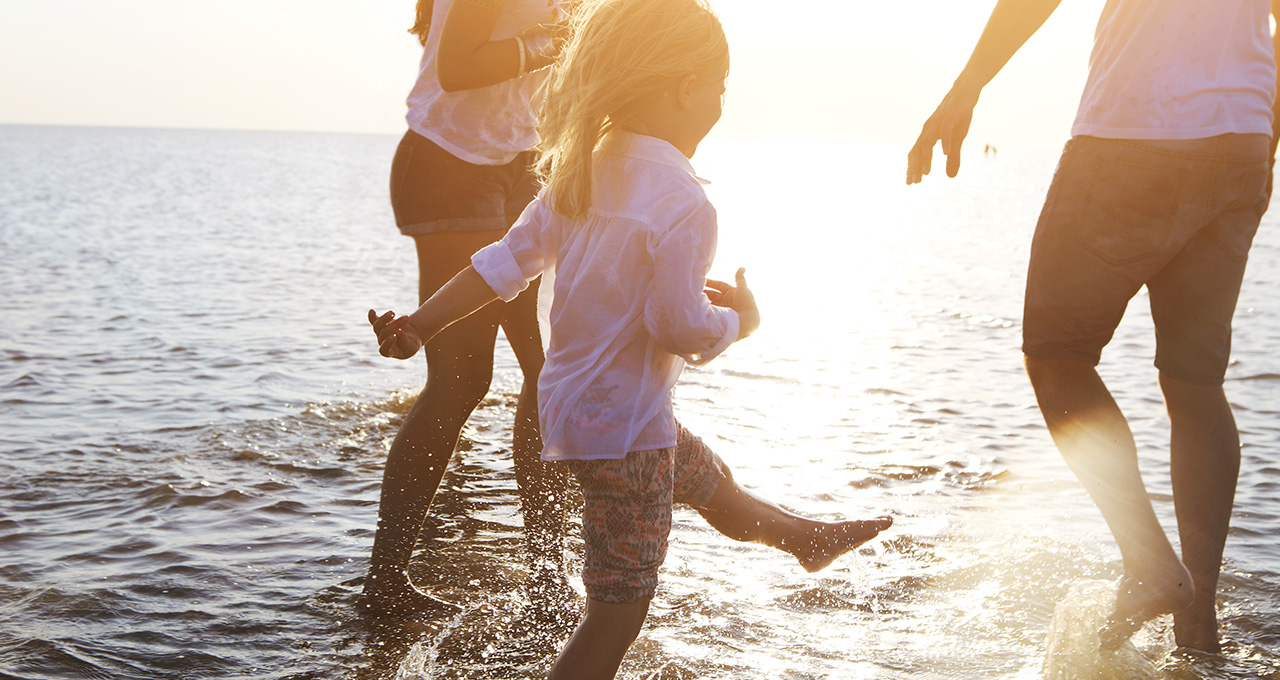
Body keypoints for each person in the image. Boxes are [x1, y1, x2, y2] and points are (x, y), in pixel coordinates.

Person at [370, 0, 893, 675]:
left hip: (574, 417)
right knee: (614, 618)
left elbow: (501, 265)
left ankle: (803, 538)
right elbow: (678, 327)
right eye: (721, 86)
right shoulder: (684, 201)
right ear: (684, 88)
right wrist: (741, 323)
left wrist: (423, 324)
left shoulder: (578, 169)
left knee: (707, 481)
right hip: (626, 435)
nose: (723, 103)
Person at [906, 0, 1280, 653]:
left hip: (1133, 132)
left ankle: (1150, 565)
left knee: (1058, 356)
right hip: (1243, 140)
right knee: (1196, 383)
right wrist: (1258, 124)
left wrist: (964, 90)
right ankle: (1199, 627)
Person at [360, 0, 573, 618]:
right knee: (462, 378)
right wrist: (561, 38)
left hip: (523, 164)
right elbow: (456, 68)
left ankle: (547, 574)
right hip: (449, 162)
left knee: (548, 370)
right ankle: (386, 580)